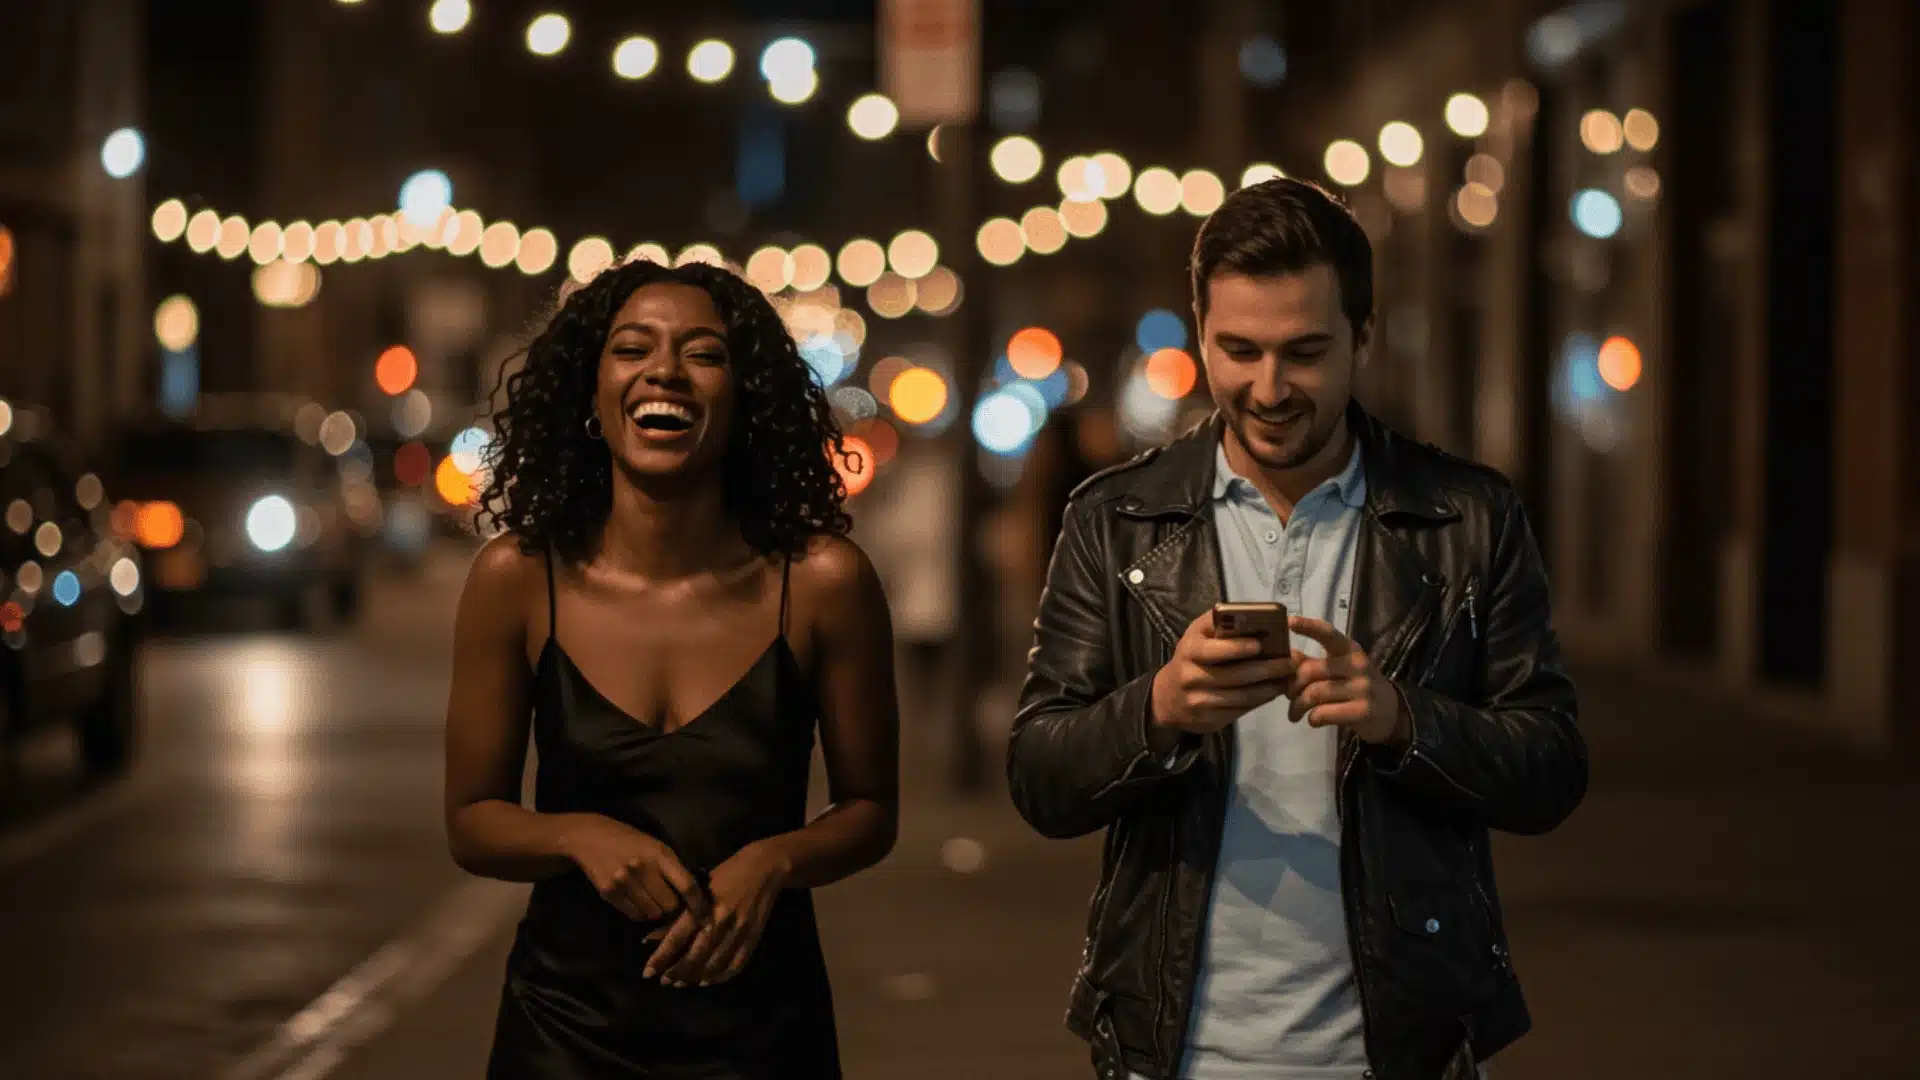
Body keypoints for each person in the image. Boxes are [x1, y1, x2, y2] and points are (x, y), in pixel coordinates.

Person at [1006, 178, 1587, 1080]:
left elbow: (1551, 768)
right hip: (1173, 1047)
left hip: (1399, 1046)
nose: (1269, 388)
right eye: (1238, 351)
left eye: (1305, 353)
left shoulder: (1468, 516)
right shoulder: (1115, 517)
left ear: (1363, 337)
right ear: (1200, 334)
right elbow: (1040, 777)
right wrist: (1158, 708)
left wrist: (1404, 720)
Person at [445, 259, 900, 1080]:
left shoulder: (825, 582)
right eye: (632, 350)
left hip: (766, 1031)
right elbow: (473, 820)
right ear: (590, 394)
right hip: (564, 1031)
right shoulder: (518, 577)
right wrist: (577, 834)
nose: (664, 371)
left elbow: (870, 809)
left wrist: (777, 859)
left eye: (704, 354)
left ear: (746, 398)